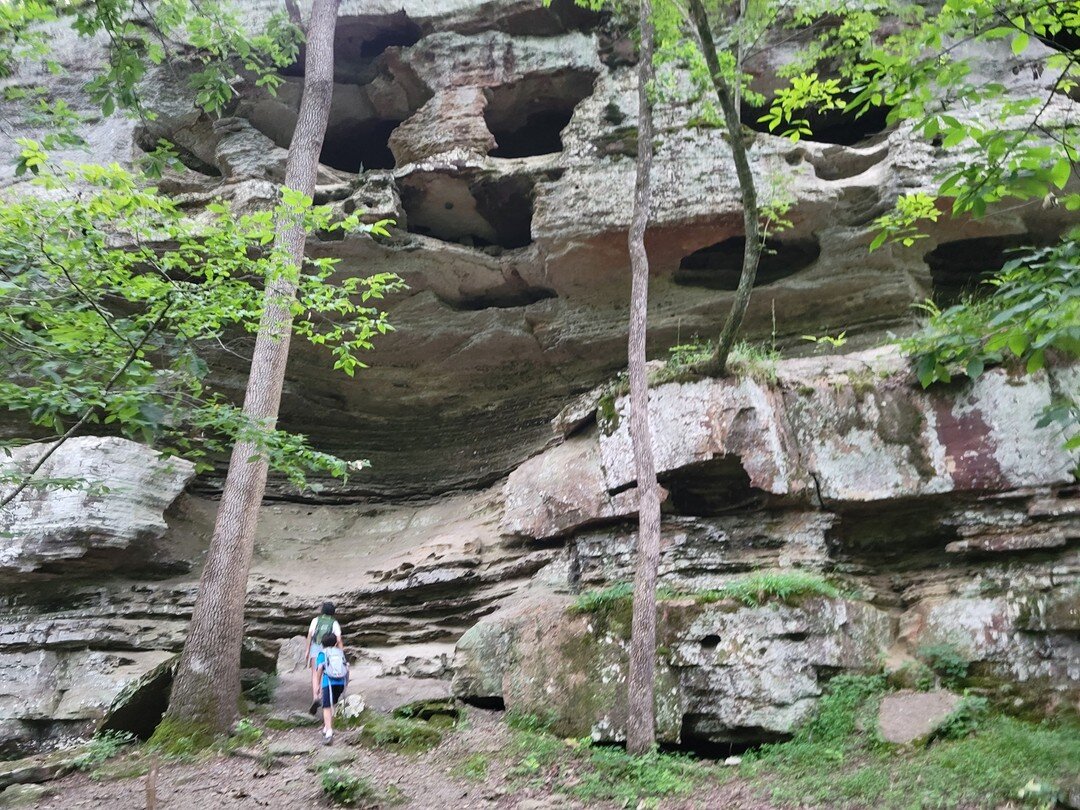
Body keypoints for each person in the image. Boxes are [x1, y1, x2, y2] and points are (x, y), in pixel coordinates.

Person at [307, 602, 343, 713]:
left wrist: (307, 650)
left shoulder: (315, 620)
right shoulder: (334, 622)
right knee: (325, 671)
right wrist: (341, 653)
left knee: (315, 672)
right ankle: (323, 693)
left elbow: (310, 635)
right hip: (328, 650)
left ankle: (315, 696)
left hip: (315, 647)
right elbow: (338, 639)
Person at [314, 631, 349, 745]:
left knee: (326, 707)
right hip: (340, 682)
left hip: (327, 682)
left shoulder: (322, 653)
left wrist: (318, 685)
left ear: (322, 644)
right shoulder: (340, 652)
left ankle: (329, 732)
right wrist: (346, 684)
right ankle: (326, 726)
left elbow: (319, 669)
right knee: (332, 703)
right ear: (335, 643)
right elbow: (347, 667)